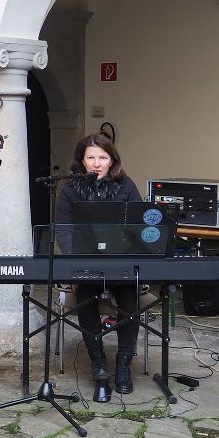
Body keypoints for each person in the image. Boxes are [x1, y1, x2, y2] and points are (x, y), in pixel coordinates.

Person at [54, 133, 142, 402]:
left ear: (111, 160)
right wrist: (76, 262)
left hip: (120, 260)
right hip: (85, 262)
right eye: (90, 157)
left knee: (130, 296)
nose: (96, 163)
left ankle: (124, 365)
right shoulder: (69, 189)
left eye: (102, 157)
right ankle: (99, 365)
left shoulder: (126, 186)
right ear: (81, 160)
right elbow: (64, 229)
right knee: (85, 295)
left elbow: (138, 224)